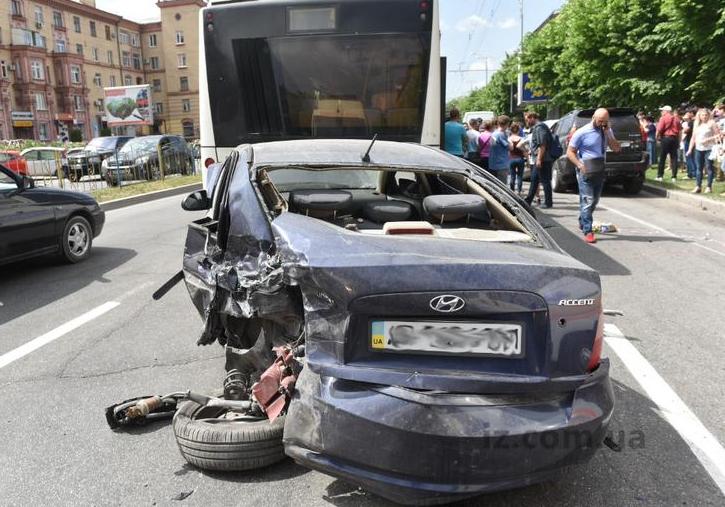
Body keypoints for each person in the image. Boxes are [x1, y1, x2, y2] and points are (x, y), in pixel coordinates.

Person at [566, 108, 621, 244]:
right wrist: (580, 165)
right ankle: (588, 231)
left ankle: (582, 220)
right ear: (593, 118)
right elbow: (570, 152)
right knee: (588, 200)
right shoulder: (582, 132)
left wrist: (608, 132)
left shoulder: (606, 130)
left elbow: (616, 149)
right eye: (600, 121)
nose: (602, 124)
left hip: (599, 169)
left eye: (605, 121)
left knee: (594, 201)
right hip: (586, 169)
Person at [523, 111, 554, 209]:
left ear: (532, 118)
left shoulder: (540, 127)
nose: (526, 121)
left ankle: (548, 202)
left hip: (543, 158)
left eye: (527, 119)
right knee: (534, 179)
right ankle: (528, 200)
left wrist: (539, 159)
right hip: (540, 157)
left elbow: (542, 145)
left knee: (544, 181)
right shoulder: (538, 127)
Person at [687, 108, 721, 194]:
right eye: (702, 115)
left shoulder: (711, 123)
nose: (704, 117)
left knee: (709, 167)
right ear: (699, 116)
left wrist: (708, 139)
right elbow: (693, 138)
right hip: (698, 148)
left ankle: (709, 187)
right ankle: (698, 186)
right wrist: (690, 149)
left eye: (706, 115)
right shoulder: (697, 124)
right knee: (699, 168)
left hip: (709, 148)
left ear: (708, 115)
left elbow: (718, 135)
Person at [656, 105, 680, 182]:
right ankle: (674, 177)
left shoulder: (663, 118)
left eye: (662, 111)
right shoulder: (676, 118)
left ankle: (660, 176)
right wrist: (678, 141)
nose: (661, 112)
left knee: (662, 157)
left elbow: (659, 129)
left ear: (666, 111)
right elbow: (680, 130)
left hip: (666, 138)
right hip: (674, 138)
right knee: (674, 158)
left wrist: (657, 138)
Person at [489, 115, 512, 183]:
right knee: (502, 187)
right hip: (501, 165)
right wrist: (510, 141)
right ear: (507, 124)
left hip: (492, 164)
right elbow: (510, 147)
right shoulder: (501, 135)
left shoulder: (493, 133)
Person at [508, 122, 526, 194]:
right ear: (518, 130)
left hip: (511, 159)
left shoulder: (508, 139)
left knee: (512, 176)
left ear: (510, 130)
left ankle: (512, 191)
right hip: (520, 159)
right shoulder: (522, 139)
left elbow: (509, 150)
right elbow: (525, 150)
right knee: (520, 176)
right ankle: (519, 191)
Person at [681, 110, 696, 179]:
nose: (686, 114)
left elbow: (686, 130)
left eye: (688, 113)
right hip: (693, 140)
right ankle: (693, 173)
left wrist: (684, 129)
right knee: (692, 157)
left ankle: (691, 173)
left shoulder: (691, 122)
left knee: (689, 157)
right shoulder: (695, 121)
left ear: (692, 114)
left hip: (689, 140)